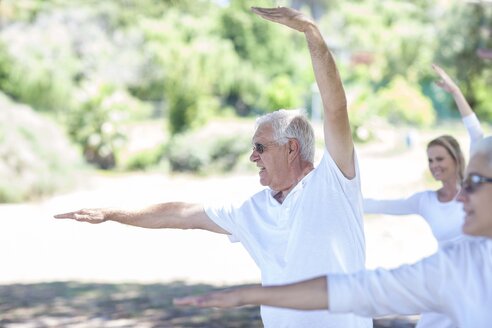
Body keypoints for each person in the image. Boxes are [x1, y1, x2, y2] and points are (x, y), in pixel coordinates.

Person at [54, 7, 371, 328]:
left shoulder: (334, 182)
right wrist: (112, 213)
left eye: (260, 147)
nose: (253, 157)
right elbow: (181, 214)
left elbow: (335, 107)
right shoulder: (252, 210)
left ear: (291, 149)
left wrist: (311, 34)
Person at [174, 136, 492, 328]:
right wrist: (250, 295)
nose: (462, 196)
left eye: (474, 184)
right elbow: (362, 290)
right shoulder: (459, 264)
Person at [363, 65, 484, 327]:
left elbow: (476, 135)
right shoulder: (425, 201)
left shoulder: (475, 189)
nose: (434, 165)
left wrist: (455, 92)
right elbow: (382, 205)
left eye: (440, 159)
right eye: (430, 160)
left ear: (456, 158)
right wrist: (340, 199)